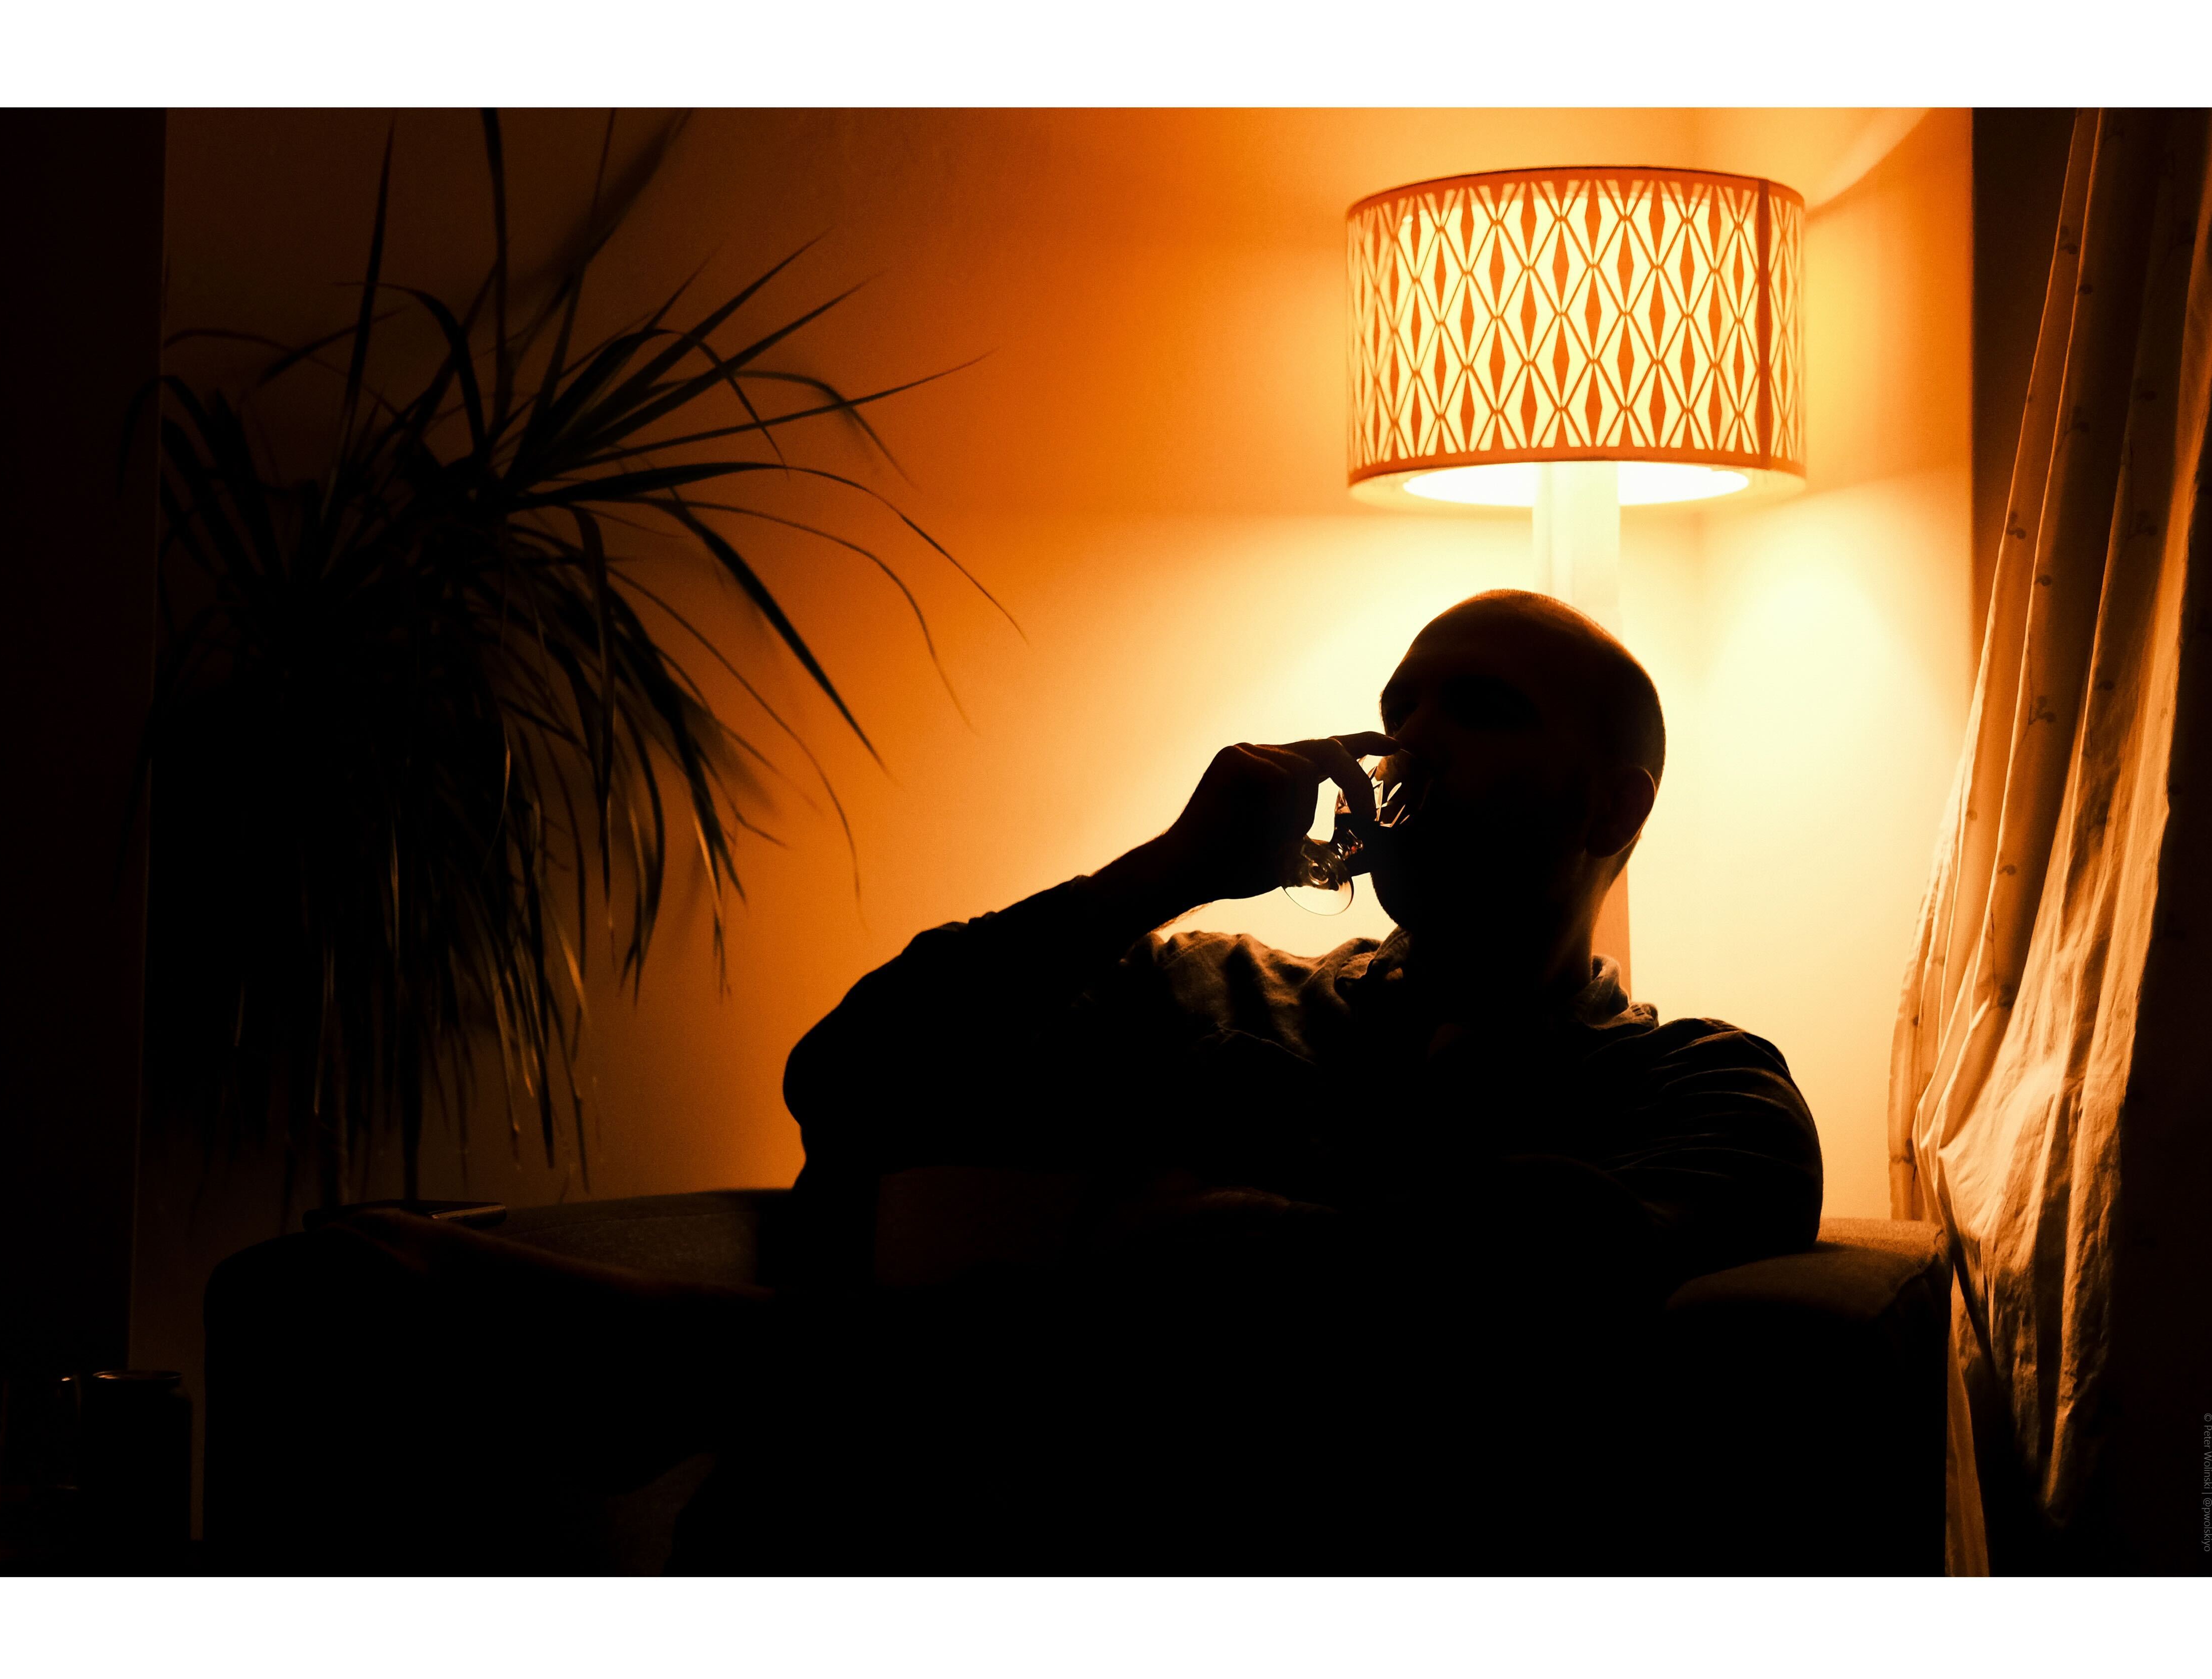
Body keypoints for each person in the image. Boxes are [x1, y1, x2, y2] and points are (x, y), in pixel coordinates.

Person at [351, 588, 1822, 1572]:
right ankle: (751, 1369)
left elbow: (1547, 1265)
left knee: (1264, 1329)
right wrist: (1170, 873)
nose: (1410, 740)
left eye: (1481, 708)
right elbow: (852, 1079)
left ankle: (716, 1357)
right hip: (1001, 1529)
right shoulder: (1215, 986)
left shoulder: (1702, 1088)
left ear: (1611, 802)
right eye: (1403, 702)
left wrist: (1206, 1250)